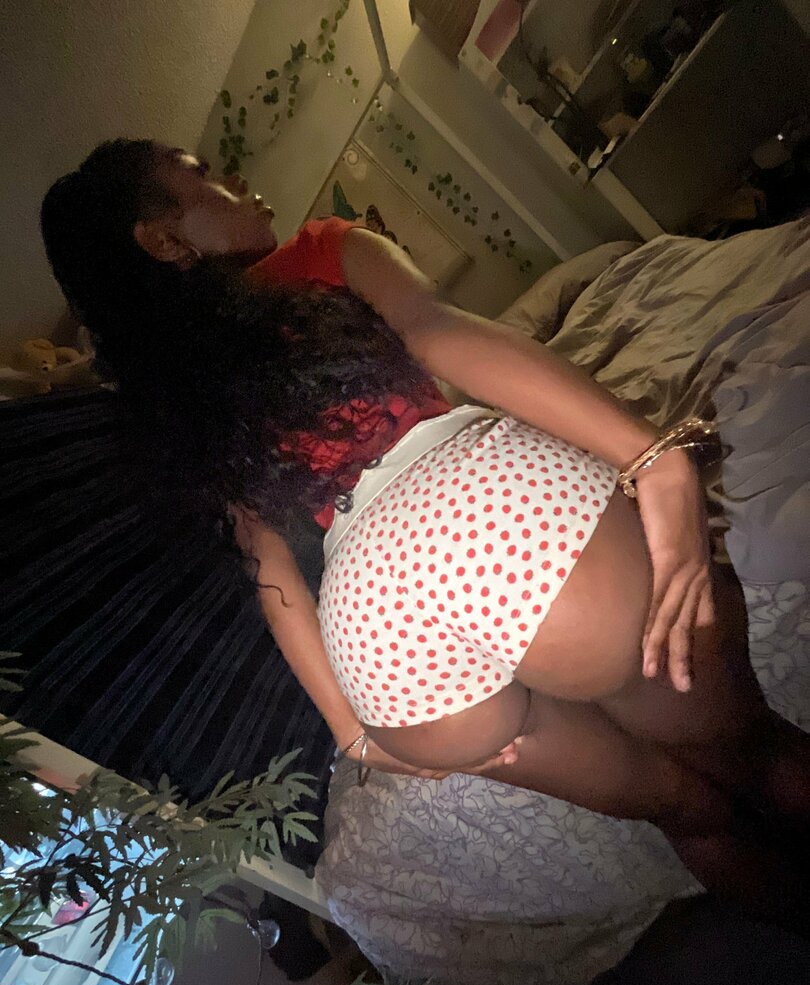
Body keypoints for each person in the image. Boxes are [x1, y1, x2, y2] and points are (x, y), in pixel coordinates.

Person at [40, 140, 808, 923]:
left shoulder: (179, 406)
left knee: (687, 810)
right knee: (756, 755)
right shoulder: (320, 250)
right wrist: (652, 457)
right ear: (162, 239)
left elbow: (267, 566)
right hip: (492, 528)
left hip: (381, 650)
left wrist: (354, 734)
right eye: (204, 177)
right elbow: (439, 333)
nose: (240, 184)